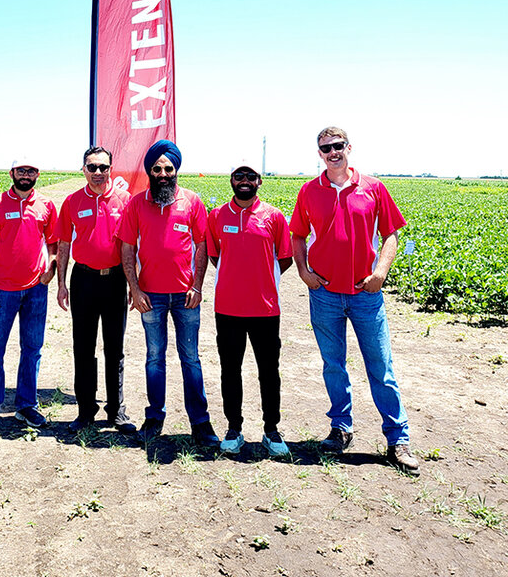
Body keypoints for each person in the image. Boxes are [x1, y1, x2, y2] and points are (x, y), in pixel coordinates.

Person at [289, 126, 420, 475]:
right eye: (325, 148)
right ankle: (340, 428)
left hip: (365, 294)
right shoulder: (309, 192)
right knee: (334, 365)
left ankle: (397, 439)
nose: (332, 152)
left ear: (349, 147)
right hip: (326, 295)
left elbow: (390, 234)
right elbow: (297, 236)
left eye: (337, 146)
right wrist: (303, 271)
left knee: (381, 367)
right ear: (319, 153)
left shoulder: (373, 187)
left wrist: (380, 273)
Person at [118, 140, 219, 446]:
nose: (163, 173)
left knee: (190, 358)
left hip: (186, 297)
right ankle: (154, 417)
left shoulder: (192, 202)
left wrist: (197, 286)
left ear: (176, 170)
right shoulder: (136, 204)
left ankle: (200, 423)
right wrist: (134, 290)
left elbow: (201, 245)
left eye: (168, 168)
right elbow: (127, 247)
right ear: (149, 171)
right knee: (154, 358)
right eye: (156, 169)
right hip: (151, 297)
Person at [206, 160, 293, 457]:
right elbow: (215, 255)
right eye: (238, 175)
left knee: (269, 371)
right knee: (230, 370)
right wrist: (236, 276)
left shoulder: (274, 216)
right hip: (228, 308)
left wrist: (261, 279)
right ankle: (234, 428)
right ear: (231, 180)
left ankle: (271, 430)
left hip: (266, 309)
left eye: (250, 176)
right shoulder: (217, 216)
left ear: (259, 181)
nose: (244, 180)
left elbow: (285, 257)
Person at [52, 146, 135, 433]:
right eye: (92, 167)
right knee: (83, 348)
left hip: (115, 282)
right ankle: (86, 410)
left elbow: (134, 245)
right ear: (83, 169)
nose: (98, 173)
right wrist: (61, 284)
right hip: (83, 280)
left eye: (103, 167)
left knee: (115, 348)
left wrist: (133, 284)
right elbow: (63, 244)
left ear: (111, 169)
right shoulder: (73, 201)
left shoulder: (126, 200)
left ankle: (116, 411)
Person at [0, 158, 58, 433]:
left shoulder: (46, 205)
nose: (26, 175)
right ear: (12, 173)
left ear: (37, 174)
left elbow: (54, 243)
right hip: (2, 291)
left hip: (36, 290)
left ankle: (26, 406)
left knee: (32, 350)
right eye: (21, 170)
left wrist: (51, 270)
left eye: (31, 170)